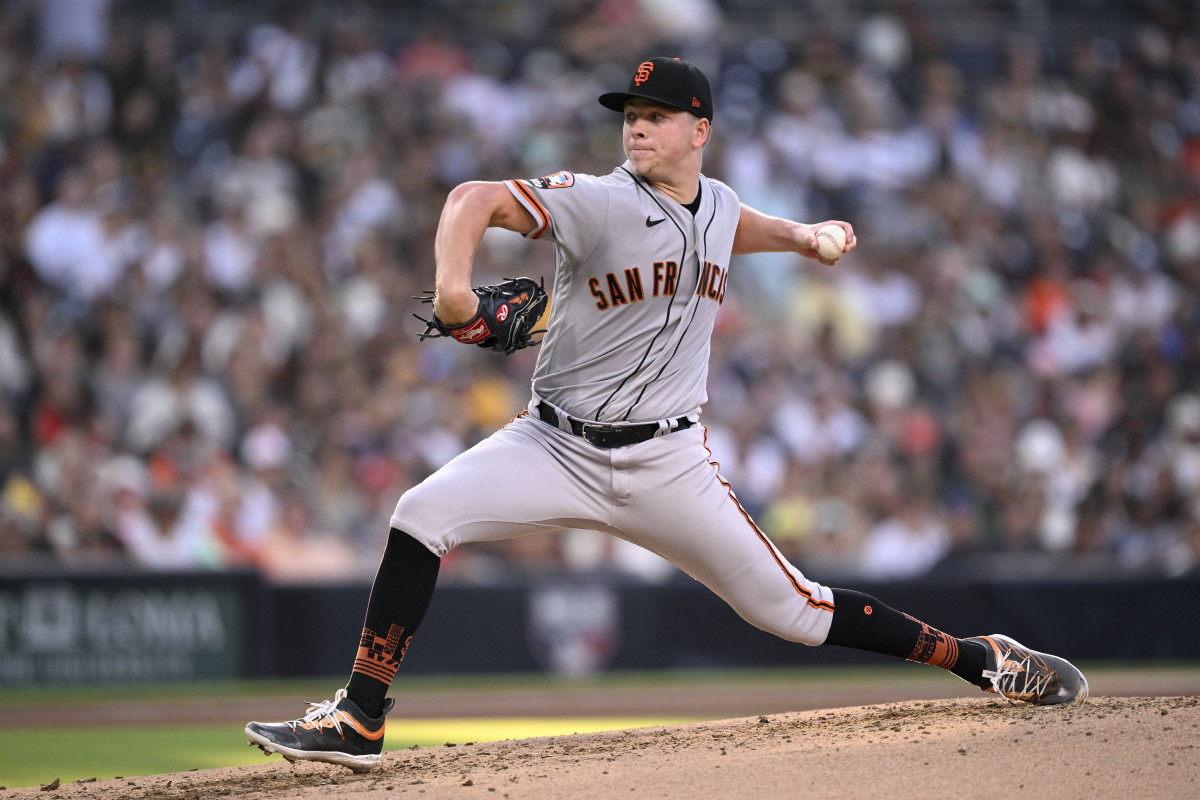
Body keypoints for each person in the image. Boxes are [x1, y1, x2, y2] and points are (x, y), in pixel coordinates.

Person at [245, 57, 1087, 773]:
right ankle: (361, 716)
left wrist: (803, 235)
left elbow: (734, 226)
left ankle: (984, 660)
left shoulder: (716, 204)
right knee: (420, 514)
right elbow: (472, 198)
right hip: (553, 443)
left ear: (700, 131)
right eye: (630, 116)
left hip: (668, 465)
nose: (636, 129)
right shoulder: (599, 200)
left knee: (792, 612)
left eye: (656, 116)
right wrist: (458, 291)